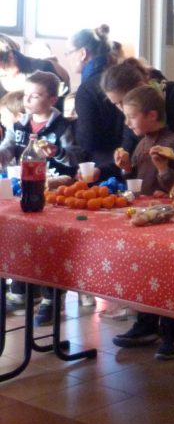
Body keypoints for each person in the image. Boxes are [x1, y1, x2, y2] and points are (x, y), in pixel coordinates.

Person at [111, 85, 174, 359]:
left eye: (131, 116)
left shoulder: (173, 143)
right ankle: (146, 322)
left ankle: (172, 330)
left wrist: (163, 170)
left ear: (151, 115)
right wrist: (126, 168)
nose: (127, 123)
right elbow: (138, 179)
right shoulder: (142, 142)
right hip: (147, 218)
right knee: (144, 274)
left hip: (169, 221)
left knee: (166, 275)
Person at [0, 72, 81, 325]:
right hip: (26, 188)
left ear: (52, 99)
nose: (28, 100)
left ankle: (51, 295)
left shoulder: (63, 126)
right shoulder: (20, 125)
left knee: (51, 240)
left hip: (57, 190)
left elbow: (75, 157)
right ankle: (22, 288)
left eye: (35, 95)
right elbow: (8, 149)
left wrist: (57, 152)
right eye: (26, 95)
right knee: (22, 234)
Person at [102, 58, 174, 165]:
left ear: (140, 86)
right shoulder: (131, 117)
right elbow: (130, 158)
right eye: (116, 104)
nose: (122, 108)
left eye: (123, 101)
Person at [65, 25, 121, 168]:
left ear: (83, 53)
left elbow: (87, 141)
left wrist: (73, 126)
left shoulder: (87, 89)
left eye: (68, 53)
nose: (67, 58)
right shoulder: (119, 77)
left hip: (102, 165)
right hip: (127, 157)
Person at [0, 35, 67, 112]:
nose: (2, 74)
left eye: (4, 67)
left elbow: (60, 105)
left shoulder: (43, 68)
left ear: (11, 57)